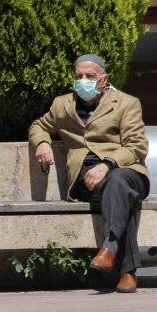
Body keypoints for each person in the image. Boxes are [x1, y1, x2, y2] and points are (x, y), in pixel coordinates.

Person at [28, 54, 150, 293]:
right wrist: (42, 143)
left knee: (119, 183)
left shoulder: (126, 103)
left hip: (126, 170)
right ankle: (127, 271)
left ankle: (110, 248)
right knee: (124, 196)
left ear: (103, 80)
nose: (83, 80)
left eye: (90, 76)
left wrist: (107, 164)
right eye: (78, 76)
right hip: (86, 181)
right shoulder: (62, 105)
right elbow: (38, 125)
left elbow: (137, 146)